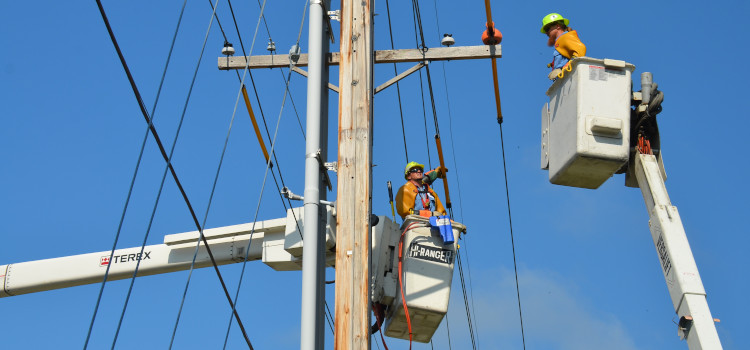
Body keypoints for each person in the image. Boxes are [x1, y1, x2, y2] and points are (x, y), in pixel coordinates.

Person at [541, 12, 586, 80]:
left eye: (547, 29)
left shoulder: (566, 37)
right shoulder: (560, 40)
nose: (546, 32)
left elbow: (580, 50)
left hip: (569, 78)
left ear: (558, 26)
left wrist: (563, 68)